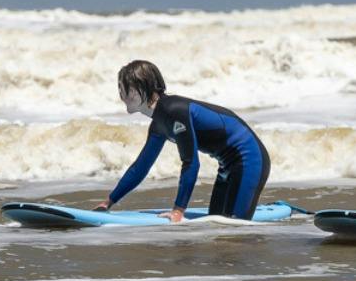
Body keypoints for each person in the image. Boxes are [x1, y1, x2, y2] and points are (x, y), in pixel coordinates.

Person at [94, 60, 271, 220]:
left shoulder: (175, 111)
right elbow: (140, 168)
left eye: (127, 86)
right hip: (227, 166)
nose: (122, 91)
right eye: (120, 86)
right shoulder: (158, 125)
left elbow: (191, 163)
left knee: (233, 231)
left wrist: (179, 210)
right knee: (218, 228)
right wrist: (109, 201)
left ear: (146, 86)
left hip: (249, 159)